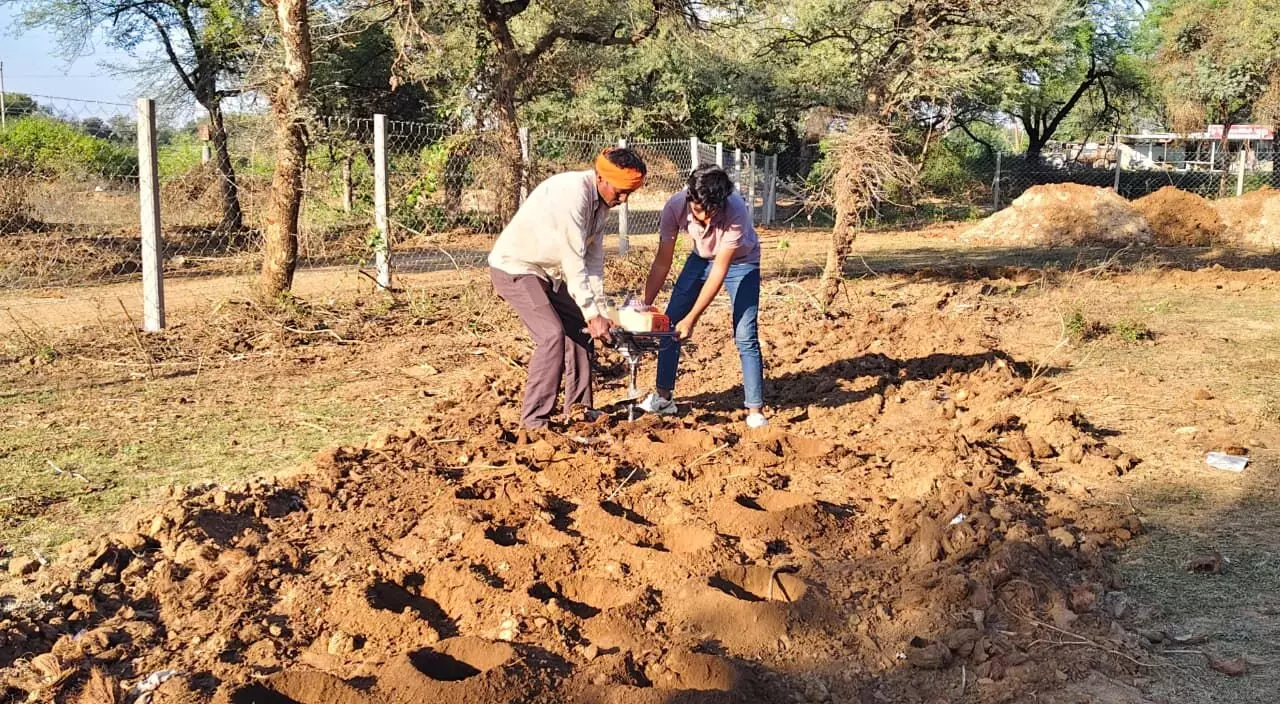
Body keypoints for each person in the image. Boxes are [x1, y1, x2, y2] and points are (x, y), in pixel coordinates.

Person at [488, 146, 647, 429]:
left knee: (579, 325)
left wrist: (598, 311)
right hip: (514, 266)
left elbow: (593, 260)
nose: (623, 200)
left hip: (546, 272)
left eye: (629, 194)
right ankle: (534, 421)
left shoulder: (600, 204)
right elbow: (573, 259)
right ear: (601, 178)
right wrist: (592, 312)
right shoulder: (572, 195)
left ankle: (579, 409)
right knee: (551, 335)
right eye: (620, 192)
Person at [638, 164, 766, 428]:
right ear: (689, 199)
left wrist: (693, 318)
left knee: (745, 333)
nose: (705, 218)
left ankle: (755, 411)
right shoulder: (675, 206)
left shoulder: (736, 209)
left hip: (742, 264)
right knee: (670, 322)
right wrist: (645, 304)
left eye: (711, 211)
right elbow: (663, 260)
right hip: (699, 260)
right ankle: (663, 397)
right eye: (698, 210)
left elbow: (720, 268)